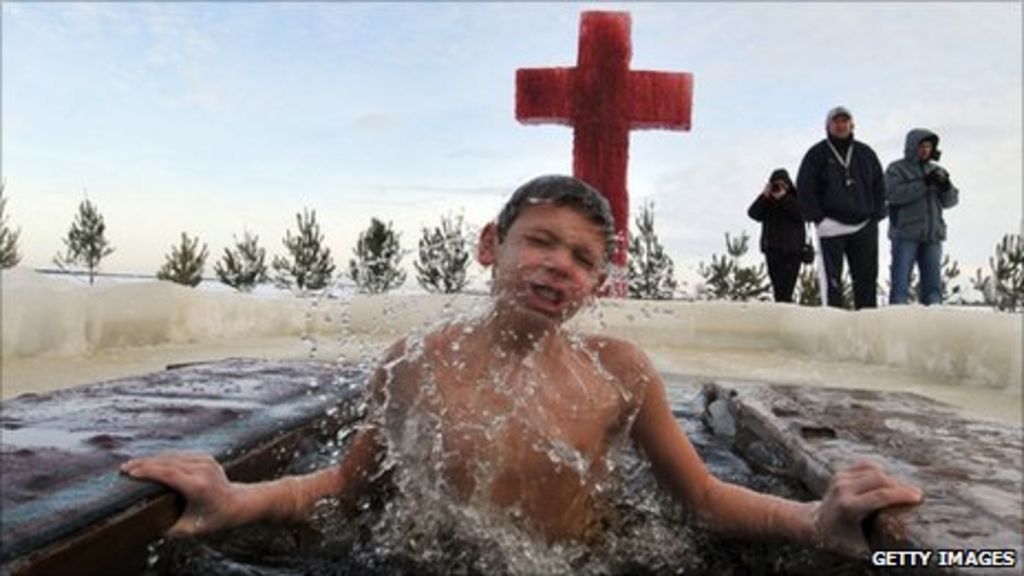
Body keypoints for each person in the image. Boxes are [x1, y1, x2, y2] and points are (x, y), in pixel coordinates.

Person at [122, 175, 921, 561]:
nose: (558, 268)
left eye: (582, 259)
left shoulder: (618, 372)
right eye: (539, 241)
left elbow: (704, 498)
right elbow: (348, 487)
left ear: (598, 283)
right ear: (489, 245)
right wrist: (237, 500)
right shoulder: (416, 361)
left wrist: (813, 520)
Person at [796, 106, 887, 309]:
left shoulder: (865, 153)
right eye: (836, 121)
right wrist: (818, 218)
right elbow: (804, 188)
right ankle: (832, 328)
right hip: (831, 226)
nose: (840, 125)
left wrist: (878, 214)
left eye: (844, 121)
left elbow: (880, 185)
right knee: (832, 284)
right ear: (827, 126)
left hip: (864, 225)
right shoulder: (816, 154)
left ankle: (867, 327)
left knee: (866, 280)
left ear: (852, 125)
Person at [885, 128, 959, 305]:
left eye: (928, 146)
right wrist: (924, 183)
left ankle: (934, 322)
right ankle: (896, 320)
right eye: (922, 146)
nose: (925, 150)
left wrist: (946, 186)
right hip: (905, 234)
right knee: (900, 285)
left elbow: (951, 201)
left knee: (933, 287)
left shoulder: (938, 171)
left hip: (932, 235)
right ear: (912, 147)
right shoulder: (896, 169)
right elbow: (893, 195)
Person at [748, 168, 806, 303]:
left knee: (787, 290)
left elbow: (802, 214)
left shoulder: (796, 198)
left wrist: (783, 198)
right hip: (773, 250)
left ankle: (787, 316)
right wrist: (764, 195)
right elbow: (753, 213)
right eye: (775, 184)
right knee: (778, 290)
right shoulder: (768, 201)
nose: (778, 187)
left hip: (793, 251)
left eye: (781, 183)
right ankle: (780, 316)